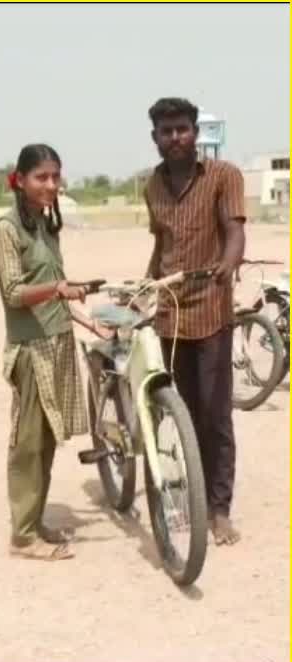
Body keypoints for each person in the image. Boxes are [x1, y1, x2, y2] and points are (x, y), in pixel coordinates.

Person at [0, 143, 111, 562]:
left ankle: (36, 523)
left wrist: (88, 321)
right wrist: (58, 289)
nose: (51, 185)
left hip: (58, 343)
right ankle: (22, 537)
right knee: (27, 445)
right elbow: (13, 293)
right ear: (19, 179)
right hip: (30, 350)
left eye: (56, 176)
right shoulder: (6, 230)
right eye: (41, 177)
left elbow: (55, 289)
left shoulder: (46, 225)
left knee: (45, 442)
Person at [143, 97, 246, 546]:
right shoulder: (152, 186)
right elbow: (160, 247)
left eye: (182, 129)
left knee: (214, 412)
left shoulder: (224, 176)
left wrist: (228, 263)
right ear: (155, 138)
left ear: (195, 132)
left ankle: (219, 510)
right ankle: (195, 492)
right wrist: (144, 288)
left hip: (210, 309)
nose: (175, 138)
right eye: (166, 131)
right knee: (183, 408)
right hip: (171, 314)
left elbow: (236, 230)